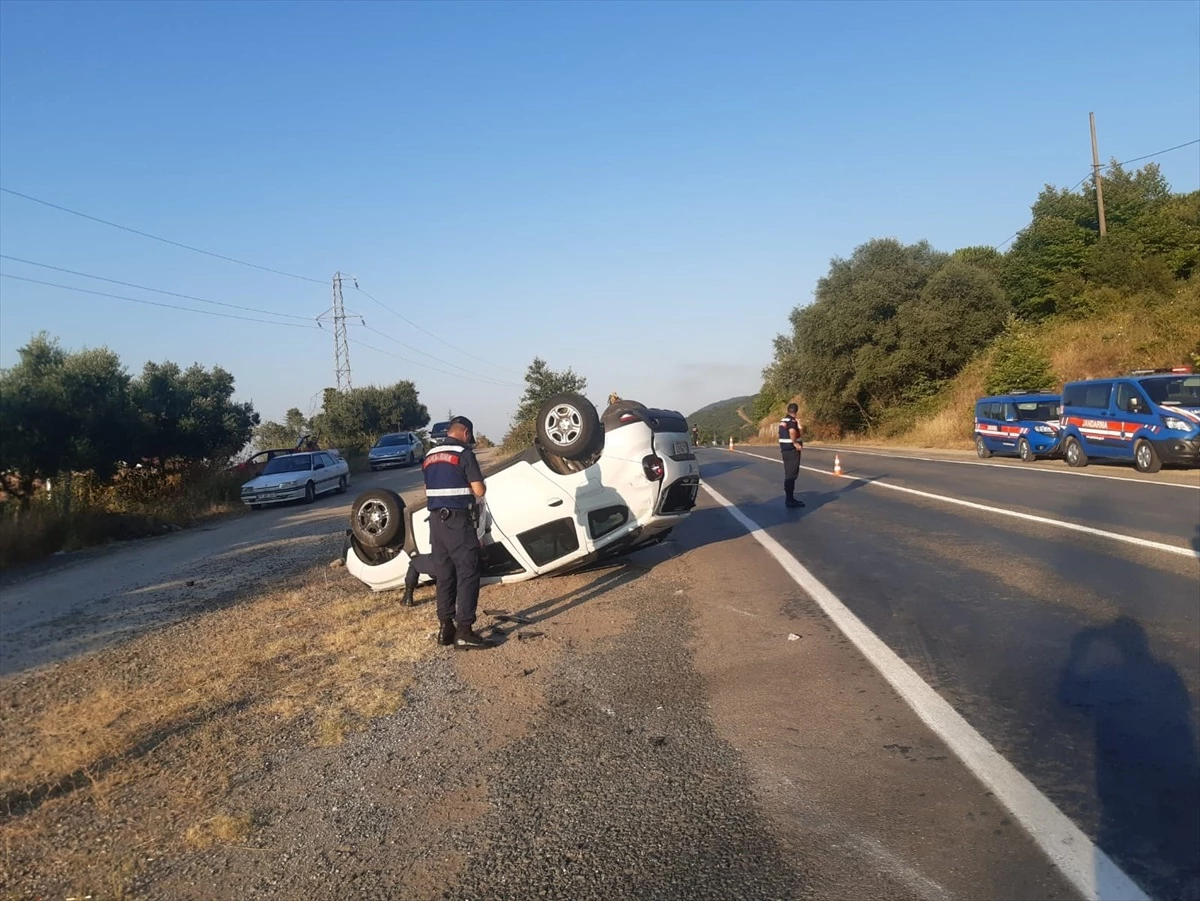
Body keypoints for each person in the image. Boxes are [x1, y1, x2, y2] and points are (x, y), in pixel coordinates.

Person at [422, 415, 491, 649]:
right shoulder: (464, 454)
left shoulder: (430, 455)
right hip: (458, 522)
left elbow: (426, 488)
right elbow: (479, 490)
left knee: (445, 576)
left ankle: (445, 628)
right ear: (466, 434)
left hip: (435, 523)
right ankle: (464, 630)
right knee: (468, 573)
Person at [778, 403, 805, 508]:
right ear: (796, 411)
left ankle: (790, 498)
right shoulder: (792, 421)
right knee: (791, 475)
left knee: (788, 474)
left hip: (785, 450)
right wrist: (795, 443)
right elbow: (792, 431)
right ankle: (790, 499)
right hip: (792, 451)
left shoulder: (783, 420)